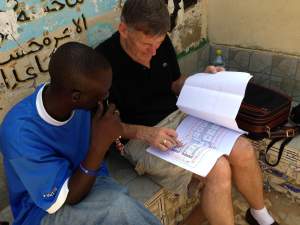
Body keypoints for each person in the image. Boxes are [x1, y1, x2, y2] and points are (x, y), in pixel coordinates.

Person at [95, 0, 279, 225]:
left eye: (159, 43)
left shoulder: (160, 43)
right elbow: (104, 126)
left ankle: (260, 216)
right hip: (140, 138)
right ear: (123, 30)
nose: (154, 52)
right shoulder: (102, 63)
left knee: (243, 149)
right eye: (146, 45)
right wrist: (146, 133)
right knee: (218, 169)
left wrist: (202, 82)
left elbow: (175, 83)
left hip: (180, 118)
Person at [0, 42, 162, 225]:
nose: (106, 99)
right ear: (76, 97)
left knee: (121, 207)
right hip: (43, 210)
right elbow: (69, 197)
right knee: (117, 207)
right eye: (102, 95)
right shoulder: (19, 133)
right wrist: (98, 147)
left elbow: (110, 131)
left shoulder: (74, 99)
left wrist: (144, 133)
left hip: (89, 180)